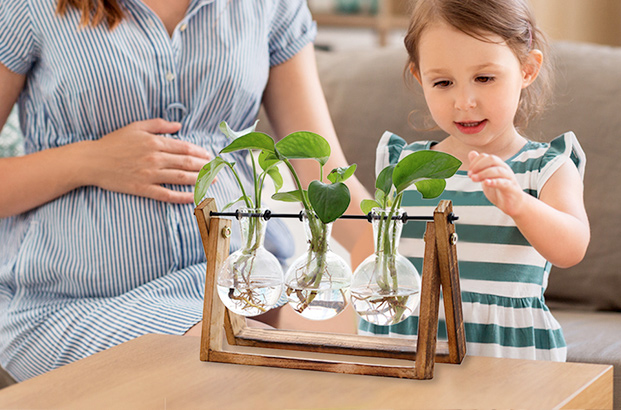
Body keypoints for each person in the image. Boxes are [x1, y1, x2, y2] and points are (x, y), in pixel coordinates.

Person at [0, 0, 367, 382]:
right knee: (247, 370)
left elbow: (321, 172)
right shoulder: (30, 7)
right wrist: (88, 160)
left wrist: (396, 254)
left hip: (240, 292)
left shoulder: (269, 6)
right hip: (75, 303)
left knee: (356, 366)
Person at [356, 0, 590, 361]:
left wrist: (519, 204)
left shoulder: (546, 166)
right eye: (443, 82)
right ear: (420, 78)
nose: (464, 101)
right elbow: (375, 255)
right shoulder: (402, 164)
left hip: (507, 356)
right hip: (406, 347)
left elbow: (571, 249)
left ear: (527, 70)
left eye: (484, 78)